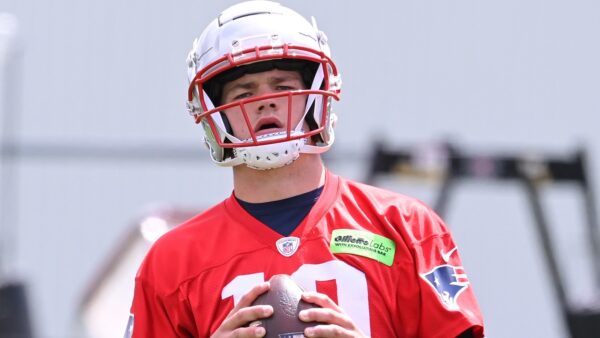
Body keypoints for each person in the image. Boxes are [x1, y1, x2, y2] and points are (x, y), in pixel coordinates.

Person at [126, 1, 485, 337]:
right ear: (213, 113)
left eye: (283, 86)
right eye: (243, 93)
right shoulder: (172, 261)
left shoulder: (407, 227)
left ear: (317, 95)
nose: (266, 100)